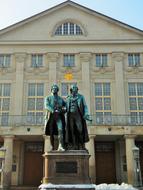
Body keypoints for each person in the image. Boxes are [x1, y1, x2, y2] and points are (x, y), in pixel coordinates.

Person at [66, 84, 92, 150]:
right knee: (72, 131)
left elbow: (85, 106)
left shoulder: (81, 97)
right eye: (73, 88)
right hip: (70, 116)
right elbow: (65, 107)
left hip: (78, 115)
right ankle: (74, 145)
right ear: (71, 90)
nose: (75, 89)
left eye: (76, 88)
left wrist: (86, 114)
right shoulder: (68, 98)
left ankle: (81, 144)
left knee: (80, 129)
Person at [44, 84, 66, 151]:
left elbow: (65, 106)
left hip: (58, 116)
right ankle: (52, 147)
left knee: (60, 130)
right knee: (51, 133)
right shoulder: (48, 98)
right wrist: (53, 111)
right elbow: (46, 106)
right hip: (51, 116)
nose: (54, 89)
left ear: (57, 90)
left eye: (56, 88)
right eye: (53, 88)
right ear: (51, 89)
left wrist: (63, 110)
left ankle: (61, 145)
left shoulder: (60, 99)